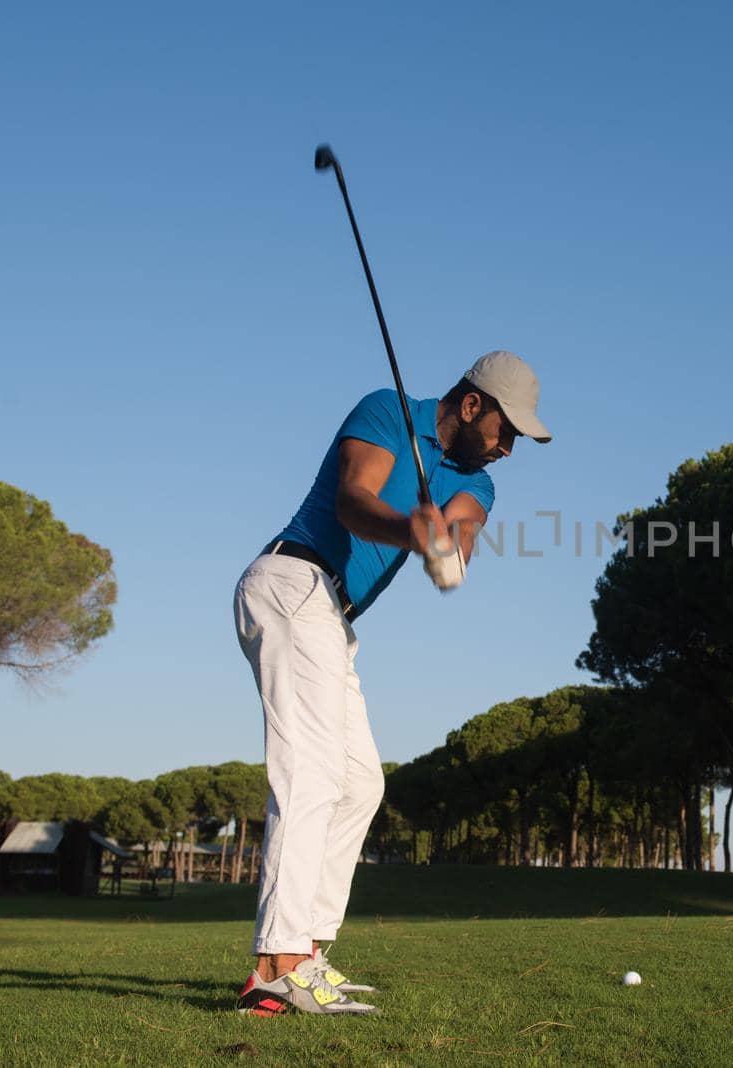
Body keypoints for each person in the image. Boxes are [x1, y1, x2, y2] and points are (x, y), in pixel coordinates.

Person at [232, 350, 551, 1016]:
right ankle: (277, 966)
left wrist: (444, 552)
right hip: (294, 580)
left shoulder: (477, 478)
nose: (508, 448)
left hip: (332, 613)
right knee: (312, 774)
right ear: (471, 405)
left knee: (361, 784)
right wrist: (410, 529)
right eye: (506, 430)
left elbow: (458, 534)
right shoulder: (387, 410)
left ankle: (309, 958)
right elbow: (354, 502)